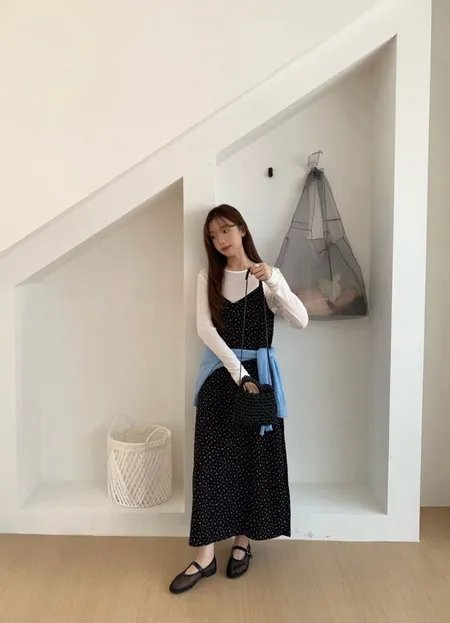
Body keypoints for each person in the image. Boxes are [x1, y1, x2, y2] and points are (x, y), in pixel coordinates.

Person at [169, 204, 308, 595]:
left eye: (225, 230)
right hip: (221, 378)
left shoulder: (267, 277)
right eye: (213, 236)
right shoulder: (207, 276)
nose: (220, 240)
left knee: (251, 462)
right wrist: (239, 374)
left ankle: (243, 543)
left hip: (260, 385)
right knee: (211, 466)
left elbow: (301, 319)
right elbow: (205, 329)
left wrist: (275, 281)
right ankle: (205, 556)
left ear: (242, 229)